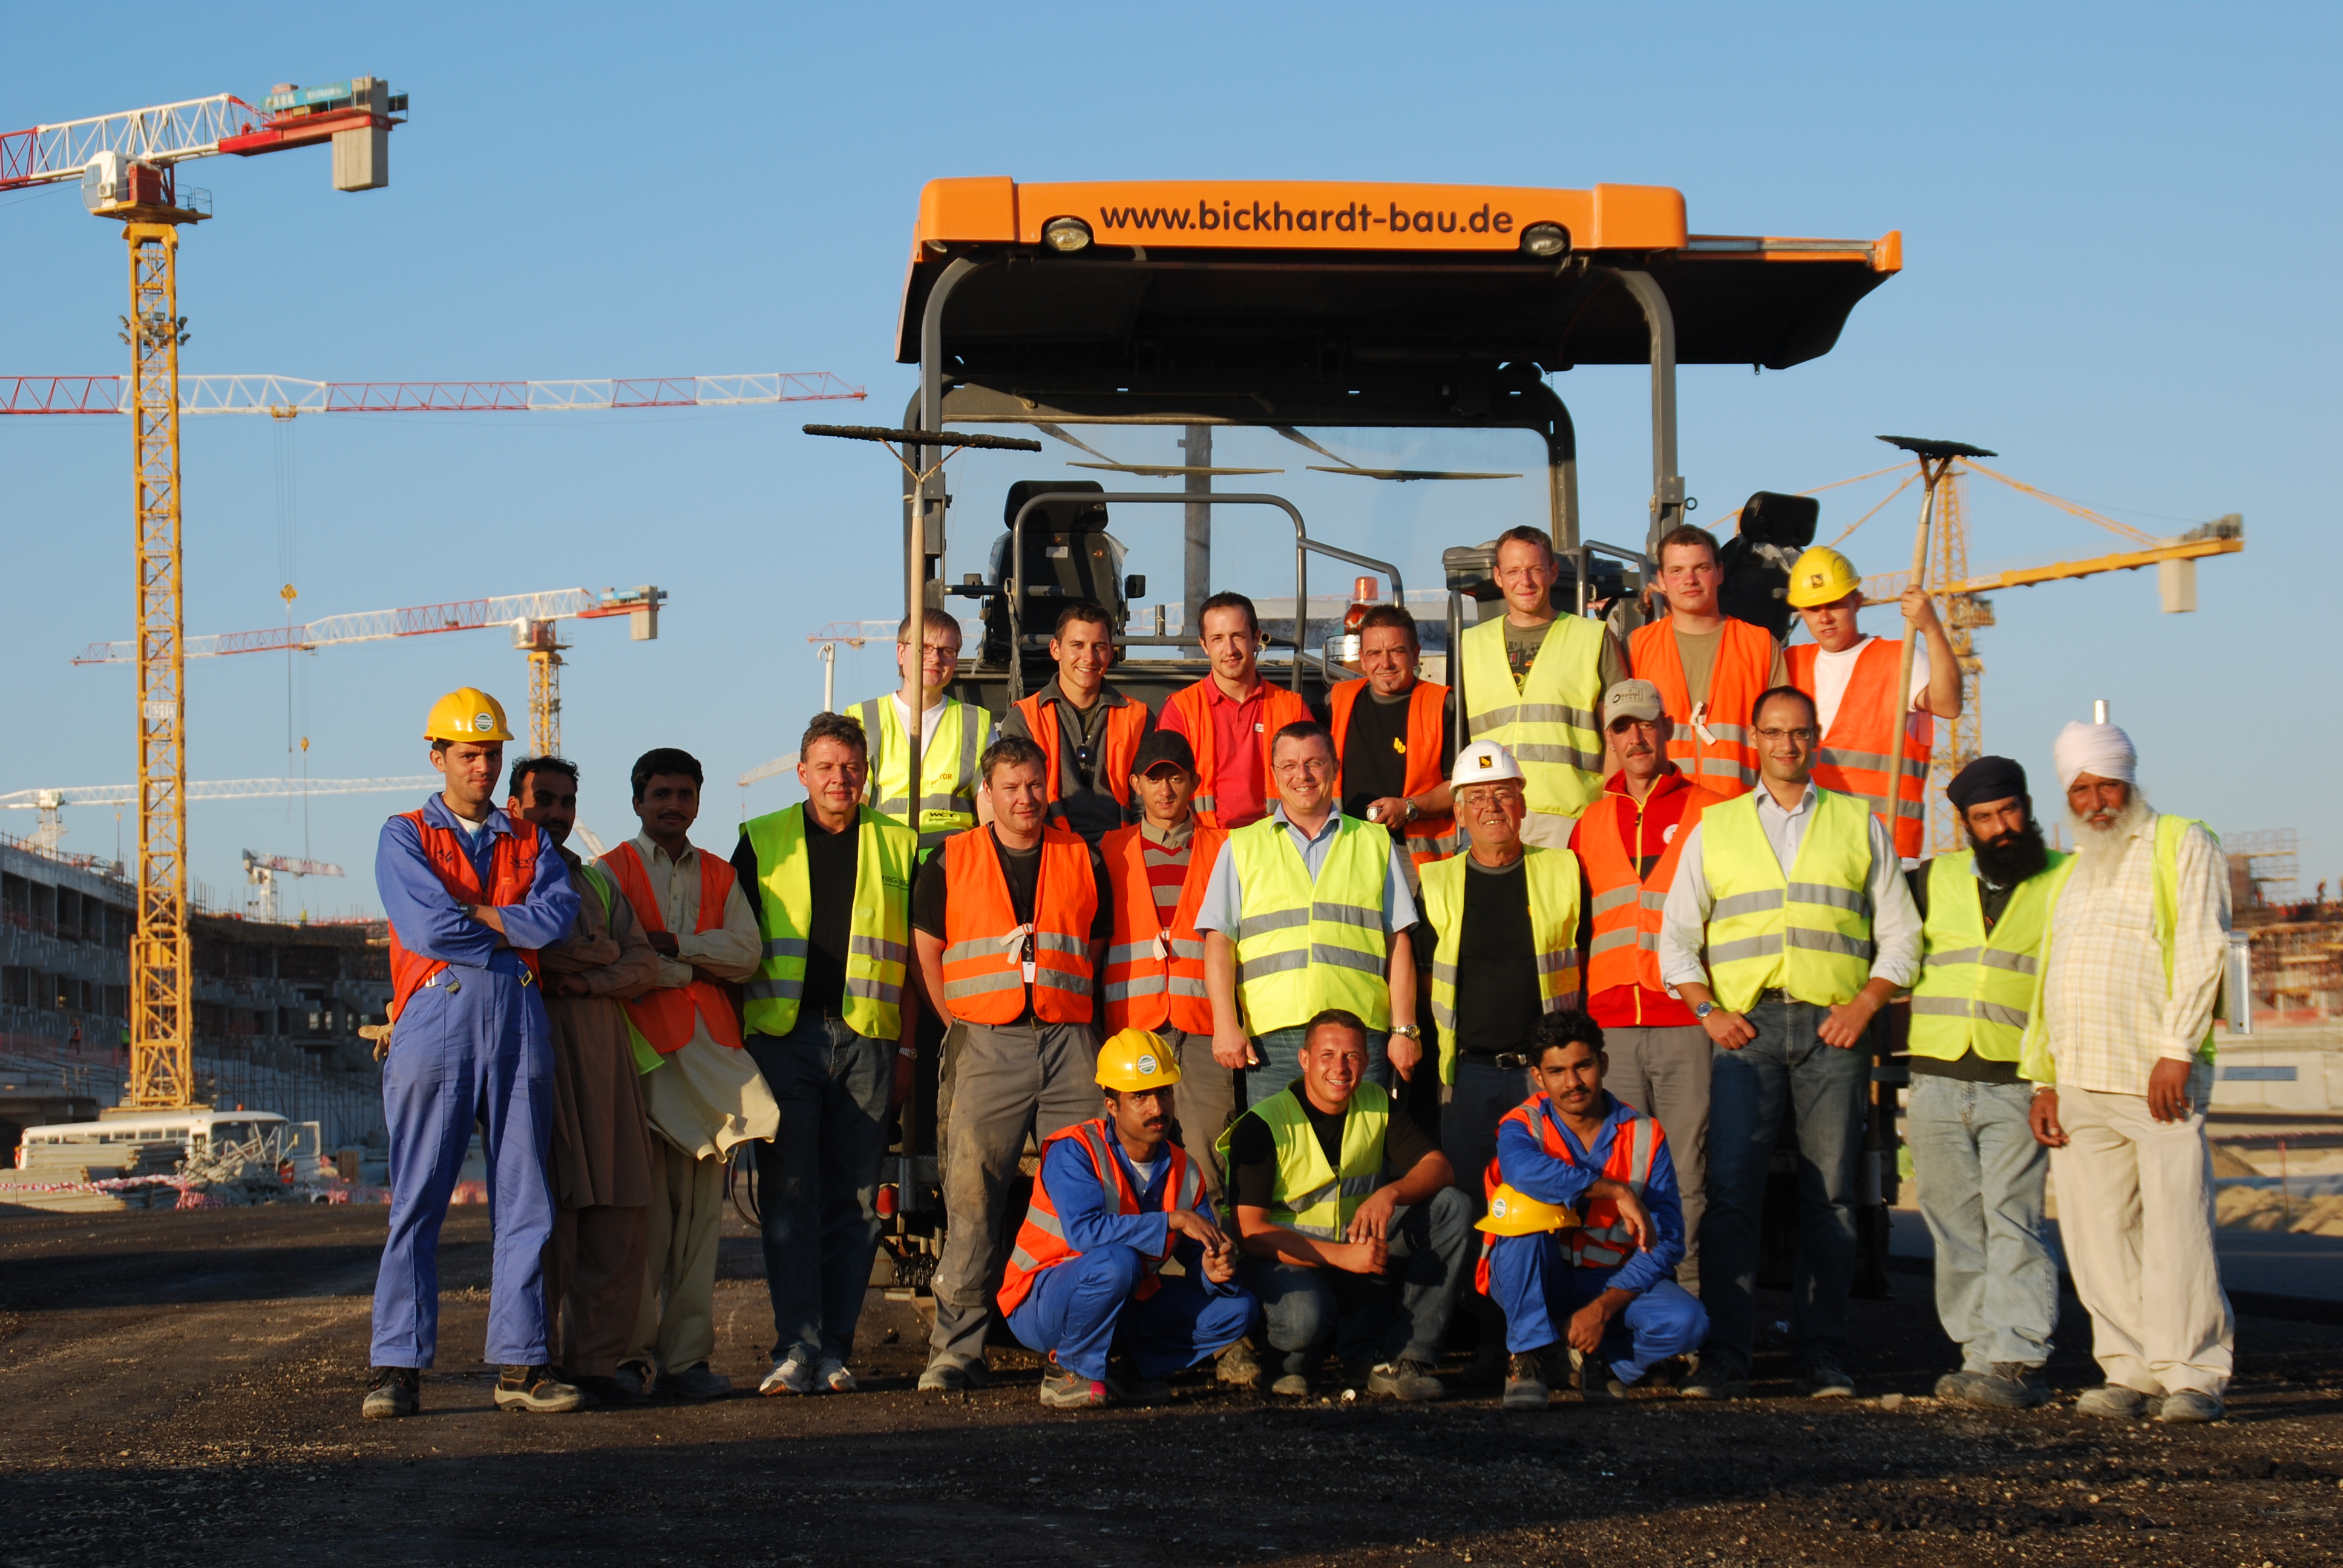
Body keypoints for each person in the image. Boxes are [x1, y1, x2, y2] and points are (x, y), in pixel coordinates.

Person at [1659, 685, 1921, 1400]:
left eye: (1798, 732)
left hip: (1833, 1030)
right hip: (1744, 1031)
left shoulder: (1857, 823)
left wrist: (1866, 1003)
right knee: (1732, 1195)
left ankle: (1822, 1355)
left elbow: (1901, 933)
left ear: (1814, 739)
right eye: (1773, 733)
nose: (1786, 745)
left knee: (1831, 1197)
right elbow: (1675, 939)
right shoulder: (1715, 828)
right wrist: (1708, 1011)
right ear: (1754, 739)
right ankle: (1727, 1355)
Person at [365, 688, 582, 1420]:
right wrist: (507, 929)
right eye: (468, 754)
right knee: (419, 1196)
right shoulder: (402, 836)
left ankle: (521, 1365)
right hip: (438, 1016)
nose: (482, 767)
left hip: (516, 1017)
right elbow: (429, 928)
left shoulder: (529, 839)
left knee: (526, 1199)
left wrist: (486, 917)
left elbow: (556, 919)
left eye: (491, 754)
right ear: (438, 757)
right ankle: (397, 1365)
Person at [2023, 720, 2233, 1423]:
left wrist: (2175, 1050)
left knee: (2177, 1228)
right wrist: (2042, 1079)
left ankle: (2192, 1373)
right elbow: (2048, 977)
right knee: (2096, 1235)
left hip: (2155, 1079)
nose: (2094, 801)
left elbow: (2203, 948)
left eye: (2104, 784)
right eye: (2079, 789)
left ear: (2128, 781)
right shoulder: (2072, 868)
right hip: (2079, 1079)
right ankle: (2129, 1367)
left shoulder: (2178, 843)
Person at [912, 734, 1114, 1391]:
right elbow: (928, 952)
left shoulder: (1081, 857)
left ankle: (1080, 1349)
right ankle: (955, 1351)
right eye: (1011, 787)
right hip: (984, 1042)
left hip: (1068, 1042)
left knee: (1082, 1197)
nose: (1025, 798)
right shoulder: (948, 860)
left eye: (1033, 785)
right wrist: (962, 1028)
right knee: (972, 1200)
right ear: (986, 796)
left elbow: (1098, 946)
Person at [732, 711, 920, 1397]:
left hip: (869, 1040)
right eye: (825, 767)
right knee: (789, 1198)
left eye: (850, 767)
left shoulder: (901, 846)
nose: (838, 779)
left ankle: (834, 1349)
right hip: (784, 1040)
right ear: (803, 772)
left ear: (865, 774)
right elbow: (731, 944)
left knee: (858, 1202)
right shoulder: (761, 840)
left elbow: (915, 965)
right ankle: (795, 1346)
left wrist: (906, 1048)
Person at [600, 747, 779, 1402]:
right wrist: (691, 965)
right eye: (660, 795)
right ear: (638, 801)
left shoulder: (718, 874)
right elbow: (611, 954)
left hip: (707, 1070)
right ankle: (627, 1357)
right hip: (640, 1063)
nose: (673, 805)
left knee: (701, 1225)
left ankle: (686, 1363)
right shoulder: (609, 872)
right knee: (639, 1225)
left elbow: (747, 953)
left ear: (697, 802)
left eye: (684, 794)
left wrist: (673, 948)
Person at [1904, 755, 2068, 1413]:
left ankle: (2018, 1354)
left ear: (2026, 809)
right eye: (1983, 818)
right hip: (1936, 1077)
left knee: (2013, 1220)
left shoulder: (2065, 879)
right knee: (1952, 1224)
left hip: (2016, 1079)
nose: (1999, 827)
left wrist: (2051, 1079)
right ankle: (1976, 1352)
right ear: (1964, 825)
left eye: (2008, 812)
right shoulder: (1933, 879)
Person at [509, 755, 661, 1407]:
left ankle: (596, 1364)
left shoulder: (594, 883)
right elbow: (529, 947)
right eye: (543, 799)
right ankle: (531, 1361)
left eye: (566, 802)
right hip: (538, 1056)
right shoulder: (502, 873)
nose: (556, 814)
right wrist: (599, 957)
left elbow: (644, 963)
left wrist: (591, 974)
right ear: (514, 804)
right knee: (550, 1221)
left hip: (608, 1062)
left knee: (619, 1214)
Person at [1219, 1008, 1472, 1400]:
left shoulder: (1375, 1103)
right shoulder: (1264, 1123)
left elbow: (1439, 1168)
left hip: (1355, 1255)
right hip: (1285, 1261)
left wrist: (1391, 1194)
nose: (1340, 1067)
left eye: (1352, 1056)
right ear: (1304, 1060)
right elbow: (1250, 1233)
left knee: (1450, 1207)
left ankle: (1402, 1359)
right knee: (1304, 1318)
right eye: (1327, 1055)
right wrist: (1342, 1257)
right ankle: (1290, 1359)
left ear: (1367, 1062)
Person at [1000, 1029, 1259, 1408]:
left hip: (1124, 1301)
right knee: (1117, 1262)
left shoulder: (1184, 1170)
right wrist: (1171, 1221)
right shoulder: (1074, 1150)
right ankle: (1069, 1372)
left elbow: (1199, 1260)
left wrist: (1214, 1269)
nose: (1157, 1108)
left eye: (1164, 1092)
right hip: (1040, 1301)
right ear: (1112, 1105)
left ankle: (1129, 1372)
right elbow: (1086, 1234)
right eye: (1140, 1096)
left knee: (1238, 1309)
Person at [1569, 679, 1727, 1298]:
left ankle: (1682, 1311)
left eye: (1645, 724)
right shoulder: (1590, 819)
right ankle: (1623, 1312)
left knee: (1685, 1175)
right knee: (1620, 1177)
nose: (1635, 738)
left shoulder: (1713, 810)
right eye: (1621, 728)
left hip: (1686, 1019)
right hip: (1611, 1025)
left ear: (1665, 728)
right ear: (1608, 738)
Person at [1480, 1011, 1706, 1410]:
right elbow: (1522, 1170)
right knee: (1519, 1232)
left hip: (1612, 1281)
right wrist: (1611, 1189)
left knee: (1688, 1322)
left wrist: (1601, 1310)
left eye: (1583, 1066)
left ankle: (1595, 1360)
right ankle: (1529, 1357)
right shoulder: (1524, 1123)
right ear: (1538, 1076)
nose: (1572, 1083)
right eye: (1557, 1071)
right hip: (1537, 1274)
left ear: (1602, 1063)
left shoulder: (1644, 1134)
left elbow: (1668, 1238)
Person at [1196, 720, 1421, 1096]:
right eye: (1289, 765)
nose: (1302, 775)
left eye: (1315, 763)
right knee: (1279, 1153)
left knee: (1360, 1152)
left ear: (1334, 767)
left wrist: (1405, 1029)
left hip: (1359, 1037)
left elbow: (1397, 942)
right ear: (1274, 774)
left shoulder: (1374, 842)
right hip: (1274, 1042)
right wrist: (1225, 1024)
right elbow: (1219, 942)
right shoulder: (1241, 846)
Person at [1417, 740, 1584, 1226]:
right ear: (1460, 814)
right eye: (1477, 798)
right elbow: (1428, 977)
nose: (1492, 807)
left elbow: (1585, 961)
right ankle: (1476, 1302)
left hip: (1544, 1074)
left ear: (1523, 804)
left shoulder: (1563, 869)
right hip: (1470, 1076)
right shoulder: (1437, 881)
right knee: (1472, 1200)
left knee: (1549, 1200)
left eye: (1503, 794)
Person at [1098, 731, 1237, 1199]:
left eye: (1175, 778)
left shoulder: (1228, 850)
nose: (1165, 790)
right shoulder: (1108, 852)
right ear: (1135, 783)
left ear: (1194, 782)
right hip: (1132, 1028)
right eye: (1154, 779)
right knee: (1131, 1164)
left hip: (1203, 1030)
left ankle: (1212, 1265)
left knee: (1207, 1159)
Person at [1781, 545, 1961, 860]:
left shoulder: (1899, 659)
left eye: (1834, 604)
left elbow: (1949, 705)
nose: (1824, 617)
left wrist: (1931, 629)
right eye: (1812, 609)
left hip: (1885, 848)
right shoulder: (1789, 664)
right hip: (1810, 847)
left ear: (1857, 602)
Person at [1457, 525, 1631, 847]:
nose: (1525, 581)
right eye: (1513, 571)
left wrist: (1608, 807)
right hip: (1492, 816)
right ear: (1498, 577)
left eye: (1535, 569)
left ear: (1552, 572)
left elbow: (1616, 731)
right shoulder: (1471, 643)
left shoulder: (1592, 638)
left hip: (1570, 819)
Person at [1627, 524, 1787, 799]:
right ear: (1662, 580)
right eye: (1678, 571)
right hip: (1664, 813)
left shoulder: (1760, 645)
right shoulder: (1637, 647)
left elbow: (1782, 738)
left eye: (1701, 568)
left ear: (1720, 573)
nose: (1690, 579)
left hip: (1740, 813)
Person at [1000, 602, 1153, 846]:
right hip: (1050, 847)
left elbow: (1144, 803)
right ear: (1055, 649)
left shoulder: (1138, 717)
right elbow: (1020, 801)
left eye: (1099, 647)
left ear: (1111, 652)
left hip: (1124, 847)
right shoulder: (1025, 718)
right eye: (1077, 645)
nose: (1089, 658)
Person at [1159, 590, 1311, 829]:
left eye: (1238, 636)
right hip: (1204, 845)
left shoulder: (1292, 707)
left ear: (1256, 638)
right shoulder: (1180, 709)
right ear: (1204, 645)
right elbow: (1165, 794)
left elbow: (1312, 786)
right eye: (1218, 638)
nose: (1229, 649)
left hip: (1277, 843)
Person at [851, 609, 995, 854]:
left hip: (953, 865)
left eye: (946, 651)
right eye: (924, 647)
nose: (935, 658)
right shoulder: (862, 719)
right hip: (886, 859)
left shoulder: (977, 723)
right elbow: (852, 807)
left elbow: (991, 812)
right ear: (900, 653)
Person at [1329, 603, 1458, 877]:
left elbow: (1459, 787)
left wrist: (1408, 808)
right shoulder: (1335, 701)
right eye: (1374, 653)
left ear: (1415, 655)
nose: (1384, 663)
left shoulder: (1443, 705)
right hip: (1345, 852)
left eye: (1396, 651)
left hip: (1417, 859)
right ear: (1362, 659)